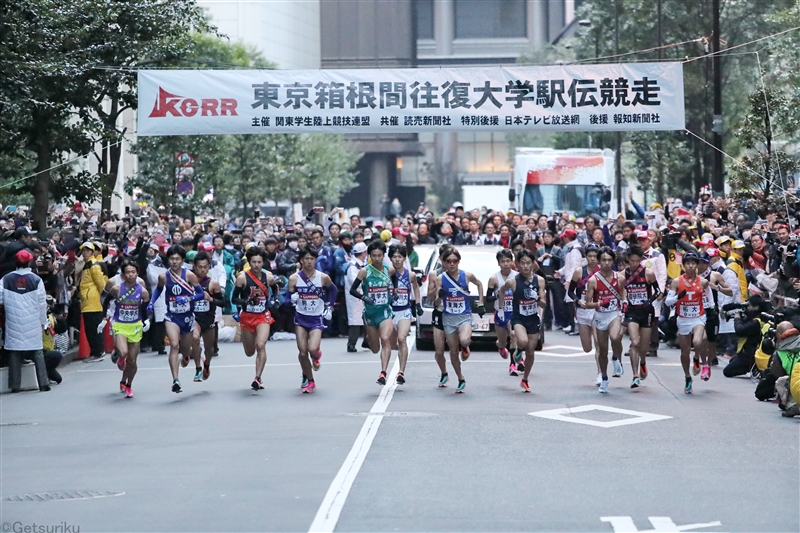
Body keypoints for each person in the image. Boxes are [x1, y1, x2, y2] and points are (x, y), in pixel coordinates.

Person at [148, 245, 205, 393]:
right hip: (171, 316)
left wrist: (187, 299)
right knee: (174, 345)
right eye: (172, 259)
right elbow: (159, 290)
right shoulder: (163, 276)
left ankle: (188, 357)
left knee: (185, 350)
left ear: (182, 260)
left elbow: (201, 294)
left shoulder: (189, 275)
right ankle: (175, 380)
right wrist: (151, 303)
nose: (174, 262)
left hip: (186, 317)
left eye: (177, 259)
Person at [428, 247, 485, 393]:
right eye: (449, 261)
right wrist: (439, 295)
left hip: (464, 316)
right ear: (444, 263)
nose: (452, 264)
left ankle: (465, 346)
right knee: (452, 351)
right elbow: (435, 302)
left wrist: (481, 303)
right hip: (448, 317)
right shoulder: (439, 278)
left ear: (459, 261)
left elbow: (479, 284)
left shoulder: (467, 275)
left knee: (465, 340)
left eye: (455, 261)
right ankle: (460, 378)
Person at [287, 246, 337, 393]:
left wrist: (330, 307)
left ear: (315, 260)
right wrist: (292, 298)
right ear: (301, 260)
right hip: (301, 317)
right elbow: (285, 299)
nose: (309, 262)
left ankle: (316, 355)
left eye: (312, 259)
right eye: (306, 258)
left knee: (312, 348)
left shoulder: (323, 277)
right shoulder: (294, 278)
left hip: (316, 318)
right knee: (302, 352)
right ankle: (310, 380)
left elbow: (333, 290)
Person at [232, 246, 281, 391]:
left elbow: (274, 288)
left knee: (260, 345)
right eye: (254, 262)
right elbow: (234, 299)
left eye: (259, 262)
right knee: (249, 352)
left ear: (263, 262)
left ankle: (258, 378)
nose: (257, 265)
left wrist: (276, 300)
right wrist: (246, 302)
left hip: (262, 316)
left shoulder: (268, 277)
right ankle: (257, 374)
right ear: (249, 262)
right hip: (247, 316)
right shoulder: (242, 278)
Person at [1, 249, 50, 392]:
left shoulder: (6, 279)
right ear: (30, 262)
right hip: (33, 321)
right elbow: (42, 304)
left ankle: (15, 385)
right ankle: (43, 383)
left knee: (14, 352)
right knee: (37, 351)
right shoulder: (36, 279)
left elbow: (0, 298)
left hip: (13, 320)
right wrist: (44, 322)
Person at [497, 249, 546, 392]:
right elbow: (501, 291)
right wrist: (501, 309)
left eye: (528, 263)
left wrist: (536, 297)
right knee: (523, 341)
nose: (525, 266)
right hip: (518, 317)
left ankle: (525, 379)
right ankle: (518, 350)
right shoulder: (512, 281)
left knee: (531, 351)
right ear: (517, 264)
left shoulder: (540, 280)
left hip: (532, 317)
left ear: (533, 264)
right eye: (522, 263)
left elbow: (543, 304)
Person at [101, 258, 150, 398]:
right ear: (123, 274)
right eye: (128, 272)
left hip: (135, 325)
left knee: (133, 360)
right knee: (124, 352)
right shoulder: (116, 289)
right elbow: (105, 301)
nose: (130, 275)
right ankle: (119, 355)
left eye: (133, 272)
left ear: (137, 273)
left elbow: (146, 307)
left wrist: (147, 320)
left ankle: (127, 384)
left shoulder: (143, 291)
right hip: (120, 324)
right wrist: (104, 318)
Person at [349, 240, 396, 385]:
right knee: (375, 349)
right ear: (370, 256)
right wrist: (364, 297)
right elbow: (352, 290)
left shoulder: (390, 270)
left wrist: (394, 294)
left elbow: (395, 282)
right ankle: (370, 339)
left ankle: (383, 373)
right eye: (374, 255)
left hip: (385, 311)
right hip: (370, 314)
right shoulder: (364, 271)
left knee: (385, 339)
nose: (377, 258)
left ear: (383, 256)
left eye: (379, 255)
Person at [583, 247, 627, 394]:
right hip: (600, 316)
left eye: (609, 260)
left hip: (615, 314)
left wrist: (625, 302)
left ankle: (616, 358)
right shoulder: (593, 280)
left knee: (615, 337)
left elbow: (623, 294)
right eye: (604, 260)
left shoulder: (620, 278)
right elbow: (587, 304)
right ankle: (604, 377)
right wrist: (600, 303)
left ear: (613, 261)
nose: (607, 263)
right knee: (602, 351)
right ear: (599, 261)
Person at [665, 252, 709, 394]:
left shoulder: (703, 281)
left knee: (697, 341)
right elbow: (667, 301)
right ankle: (687, 377)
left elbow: (709, 299)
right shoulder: (676, 282)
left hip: (698, 317)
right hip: (683, 318)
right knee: (684, 353)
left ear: (697, 265)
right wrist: (678, 297)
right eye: (687, 263)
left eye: (693, 263)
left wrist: (711, 310)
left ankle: (697, 358)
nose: (690, 266)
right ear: (683, 266)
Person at [622, 245, 660, 388]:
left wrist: (649, 301)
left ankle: (642, 361)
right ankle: (635, 375)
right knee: (634, 341)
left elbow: (658, 291)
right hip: (632, 311)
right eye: (632, 261)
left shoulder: (648, 273)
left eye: (637, 261)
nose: (634, 264)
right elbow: (620, 291)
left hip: (646, 312)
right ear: (628, 259)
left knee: (643, 346)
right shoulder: (622, 275)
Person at [388, 243, 421, 385]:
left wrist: (418, 304)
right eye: (394, 257)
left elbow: (416, 288)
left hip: (404, 311)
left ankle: (401, 371)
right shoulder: (386, 274)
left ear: (404, 258)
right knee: (389, 343)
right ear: (390, 258)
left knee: (402, 339)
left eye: (399, 257)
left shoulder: (410, 275)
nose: (397, 260)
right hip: (389, 312)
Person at [695, 251, 732, 377]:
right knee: (701, 339)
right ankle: (704, 363)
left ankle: (708, 364)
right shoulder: (691, 276)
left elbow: (730, 291)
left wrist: (717, 288)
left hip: (711, 312)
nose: (701, 266)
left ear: (708, 263)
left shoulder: (714, 275)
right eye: (699, 263)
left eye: (704, 263)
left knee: (711, 342)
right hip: (696, 311)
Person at [191, 251, 224, 382]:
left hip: (209, 318)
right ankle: (198, 368)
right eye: (200, 267)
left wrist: (211, 299)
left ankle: (206, 364)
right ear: (194, 266)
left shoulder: (213, 284)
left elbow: (223, 303)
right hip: (194, 317)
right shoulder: (189, 281)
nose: (203, 270)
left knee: (209, 349)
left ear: (209, 267)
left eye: (205, 267)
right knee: (194, 338)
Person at [486, 249, 517, 374]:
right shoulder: (494, 279)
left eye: (508, 261)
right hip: (500, 312)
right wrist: (497, 296)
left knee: (514, 335)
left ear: (512, 262)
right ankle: (500, 346)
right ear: (498, 263)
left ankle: (513, 364)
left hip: (514, 312)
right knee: (503, 342)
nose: (505, 264)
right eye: (503, 261)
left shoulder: (517, 276)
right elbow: (488, 298)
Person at [79, 241, 108, 362]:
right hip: (88, 302)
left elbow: (101, 284)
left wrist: (102, 300)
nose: (85, 253)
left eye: (87, 251)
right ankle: (95, 352)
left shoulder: (94, 265)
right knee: (90, 329)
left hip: (93, 302)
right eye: (83, 251)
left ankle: (98, 352)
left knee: (94, 329)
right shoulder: (87, 265)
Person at [569, 244, 599, 356]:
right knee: (587, 348)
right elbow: (570, 292)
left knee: (598, 342)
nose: (592, 259)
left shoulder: (603, 272)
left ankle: (601, 372)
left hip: (597, 310)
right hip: (583, 310)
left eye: (595, 256)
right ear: (585, 257)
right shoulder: (579, 272)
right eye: (590, 256)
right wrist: (577, 301)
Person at [344, 242, 368, 352]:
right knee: (355, 321)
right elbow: (354, 281)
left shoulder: (362, 264)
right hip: (354, 297)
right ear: (363, 253)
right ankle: (351, 344)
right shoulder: (352, 267)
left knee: (366, 318)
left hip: (362, 296)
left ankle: (367, 341)